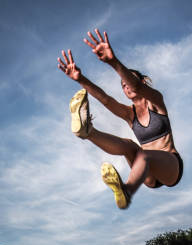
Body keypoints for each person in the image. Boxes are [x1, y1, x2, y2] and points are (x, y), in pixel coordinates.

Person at [57, 29, 183, 209]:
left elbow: (137, 86)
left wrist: (113, 62)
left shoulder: (156, 101)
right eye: (123, 85)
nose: (126, 86)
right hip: (146, 174)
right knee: (129, 146)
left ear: (143, 81)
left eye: (128, 81)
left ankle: (127, 190)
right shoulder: (129, 114)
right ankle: (88, 132)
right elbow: (106, 99)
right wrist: (80, 79)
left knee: (144, 154)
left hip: (170, 166)